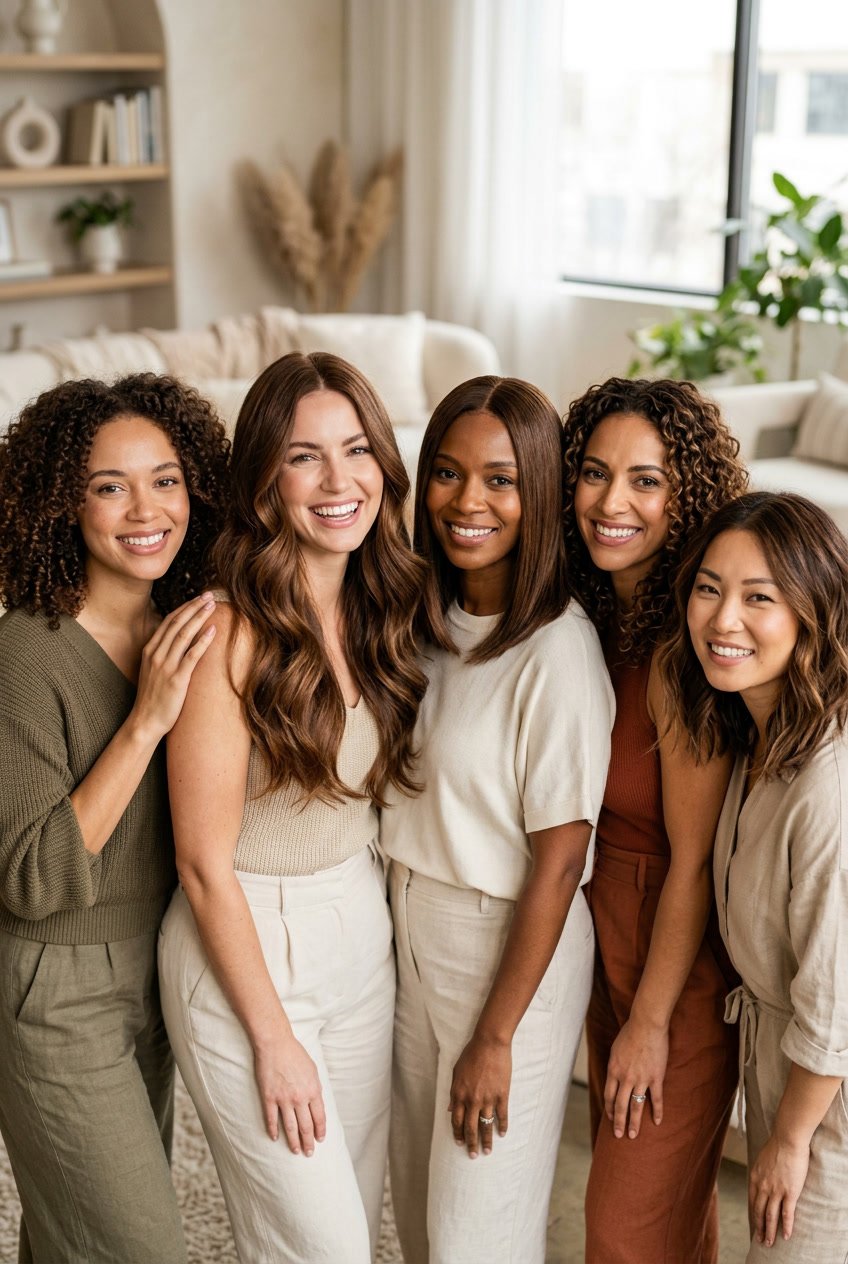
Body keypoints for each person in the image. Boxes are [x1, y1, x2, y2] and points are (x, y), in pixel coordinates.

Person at [157, 351, 426, 1264]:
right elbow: (200, 862)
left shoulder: (384, 606)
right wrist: (271, 1040)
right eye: (306, 456)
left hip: (361, 938)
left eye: (356, 450)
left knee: (352, 1208)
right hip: (245, 944)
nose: (339, 480)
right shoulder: (225, 631)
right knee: (318, 1247)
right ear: (265, 477)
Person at [381, 375, 614, 1264]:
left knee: (478, 1233)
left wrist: (495, 1035)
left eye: (500, 479)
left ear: (542, 494)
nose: (467, 501)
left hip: (508, 944)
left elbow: (560, 862)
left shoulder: (559, 649)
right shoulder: (421, 620)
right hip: (405, 927)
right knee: (419, 1213)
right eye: (446, 472)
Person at [0, 374, 230, 1264]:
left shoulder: (189, 622)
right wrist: (148, 719)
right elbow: (31, 875)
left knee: (75, 1237)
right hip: (55, 988)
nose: (147, 509)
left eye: (166, 479)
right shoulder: (27, 649)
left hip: (158, 966)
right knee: (142, 1247)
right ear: (64, 504)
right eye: (110, 485)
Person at [562, 377, 748, 1263]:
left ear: (689, 496)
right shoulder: (596, 618)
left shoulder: (686, 646)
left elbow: (695, 862)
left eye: (646, 480)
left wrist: (649, 1021)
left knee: (624, 1230)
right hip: (603, 933)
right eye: (595, 474)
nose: (611, 503)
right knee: (668, 1212)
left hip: (674, 960)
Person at [660, 490, 848, 1262]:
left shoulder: (828, 786)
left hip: (828, 1101)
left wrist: (792, 1138)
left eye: (758, 597)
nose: (722, 619)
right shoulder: (762, 732)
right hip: (782, 1065)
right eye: (709, 588)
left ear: (813, 611)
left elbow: (836, 1001)